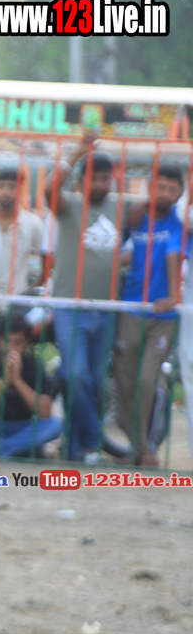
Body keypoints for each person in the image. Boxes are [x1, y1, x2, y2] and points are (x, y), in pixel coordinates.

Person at [42, 132, 124, 462]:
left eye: (105, 178)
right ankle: (95, 437)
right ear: (81, 182)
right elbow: (48, 189)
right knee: (75, 374)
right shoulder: (70, 207)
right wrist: (77, 152)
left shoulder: (120, 209)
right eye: (94, 178)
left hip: (106, 308)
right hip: (69, 306)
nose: (100, 184)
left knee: (93, 382)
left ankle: (74, 449)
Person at [114, 162, 187, 466]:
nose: (165, 193)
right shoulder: (136, 217)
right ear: (150, 186)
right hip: (131, 308)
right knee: (123, 381)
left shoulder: (179, 225)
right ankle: (139, 446)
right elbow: (120, 245)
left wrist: (172, 295)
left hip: (163, 316)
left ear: (180, 193)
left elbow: (173, 253)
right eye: (161, 186)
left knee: (147, 379)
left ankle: (145, 448)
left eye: (172, 189)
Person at [0, 315, 62, 459]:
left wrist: (17, 381)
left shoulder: (34, 366)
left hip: (23, 426)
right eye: (7, 341)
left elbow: (45, 412)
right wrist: (3, 382)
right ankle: (12, 449)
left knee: (55, 425)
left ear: (27, 343)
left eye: (18, 343)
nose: (11, 348)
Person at [0, 166, 44, 303]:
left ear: (21, 189)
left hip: (17, 302)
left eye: (12, 187)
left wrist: (33, 288)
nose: (5, 192)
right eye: (0, 186)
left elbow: (48, 258)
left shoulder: (32, 223)